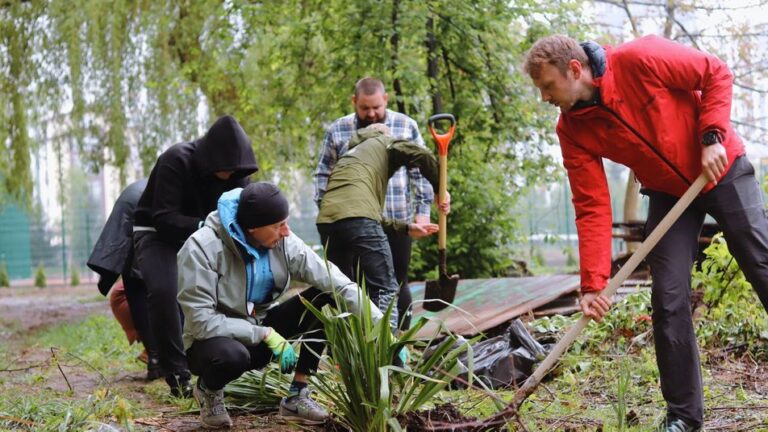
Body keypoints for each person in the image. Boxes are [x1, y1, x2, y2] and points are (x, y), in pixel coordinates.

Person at [523, 34, 768, 432]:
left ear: (573, 69)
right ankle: (684, 417)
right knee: (668, 297)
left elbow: (716, 72)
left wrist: (711, 136)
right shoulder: (572, 130)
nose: (545, 97)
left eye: (548, 87)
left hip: (720, 169)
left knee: (761, 264)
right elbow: (591, 206)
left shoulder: (639, 59)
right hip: (670, 195)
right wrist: (593, 284)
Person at [177, 182, 384, 428]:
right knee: (231, 357)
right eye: (278, 226)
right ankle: (208, 391)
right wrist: (262, 333)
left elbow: (336, 283)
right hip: (212, 343)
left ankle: (297, 395)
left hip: (261, 328)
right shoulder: (201, 248)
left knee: (322, 297)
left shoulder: (285, 243)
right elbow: (201, 322)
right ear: (252, 229)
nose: (286, 232)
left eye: (285, 223)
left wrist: (382, 327)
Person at [133, 115, 258, 397]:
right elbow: (163, 217)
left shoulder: (239, 173)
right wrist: (204, 226)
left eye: (234, 171)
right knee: (166, 290)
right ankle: (177, 374)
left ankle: (221, 363)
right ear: (210, 158)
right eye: (223, 170)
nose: (228, 176)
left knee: (224, 290)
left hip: (204, 235)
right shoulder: (175, 160)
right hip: (157, 233)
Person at [313, 77, 434, 331]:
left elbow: (419, 172)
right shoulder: (338, 130)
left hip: (396, 217)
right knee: (351, 284)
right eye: (365, 108)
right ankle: (361, 347)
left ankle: (399, 341)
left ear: (386, 100)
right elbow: (324, 173)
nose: (371, 114)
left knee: (396, 281)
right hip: (356, 220)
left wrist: (423, 213)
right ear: (354, 102)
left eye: (376, 108)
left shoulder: (404, 126)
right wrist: (332, 208)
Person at [87, 179, 162, 380]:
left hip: (131, 208)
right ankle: (161, 357)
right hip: (144, 210)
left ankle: (155, 358)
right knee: (150, 287)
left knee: (135, 282)